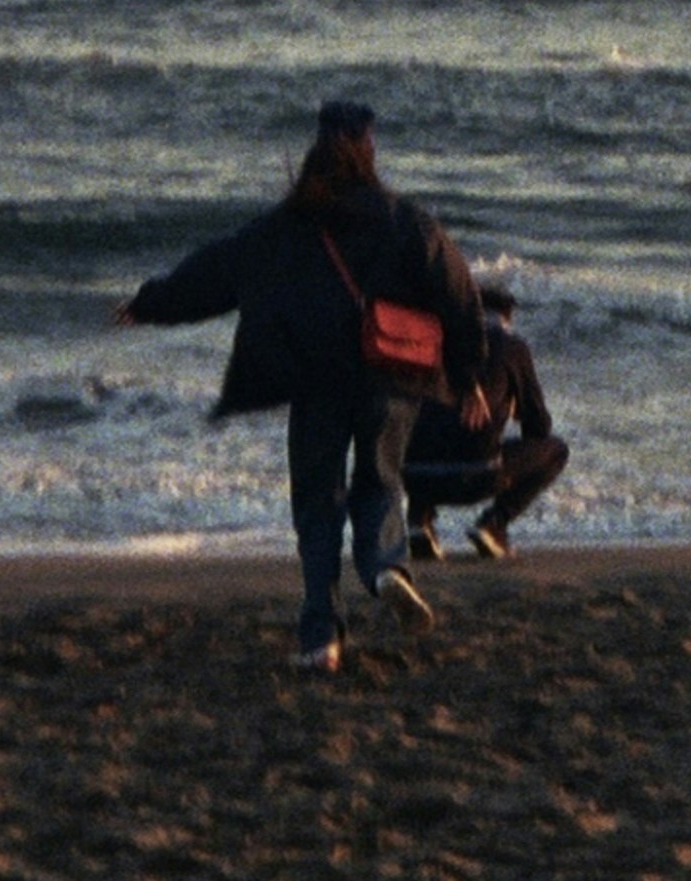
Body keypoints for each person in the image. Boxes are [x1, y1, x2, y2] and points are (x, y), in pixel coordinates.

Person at [114, 100, 484, 673]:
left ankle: (322, 639)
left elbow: (218, 272)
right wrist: (467, 373)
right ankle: (386, 568)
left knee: (318, 505)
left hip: (316, 377)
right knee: (381, 482)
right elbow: (458, 294)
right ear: (369, 149)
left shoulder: (287, 225)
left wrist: (150, 302)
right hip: (392, 373)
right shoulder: (405, 219)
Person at [404, 281, 569, 561]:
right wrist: (513, 407)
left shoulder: (429, 342)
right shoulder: (511, 347)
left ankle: (419, 521)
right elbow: (539, 426)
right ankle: (494, 524)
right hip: (475, 475)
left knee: (433, 429)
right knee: (556, 450)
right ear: (507, 315)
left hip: (414, 475)